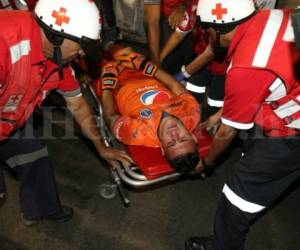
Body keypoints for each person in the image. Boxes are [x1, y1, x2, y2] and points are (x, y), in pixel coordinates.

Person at [0, 0, 133, 226]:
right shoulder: (4, 42)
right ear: (57, 35)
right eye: (82, 46)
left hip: (8, 120)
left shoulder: (57, 58)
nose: (82, 53)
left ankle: (41, 209)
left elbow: (78, 105)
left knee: (34, 152)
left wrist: (101, 147)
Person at [184, 0, 300, 249]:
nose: (208, 37)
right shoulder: (275, 16)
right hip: (289, 100)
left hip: (291, 132)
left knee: (239, 196)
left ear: (216, 30)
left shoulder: (246, 63)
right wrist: (220, 115)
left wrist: (208, 161)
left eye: (207, 31)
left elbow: (227, 132)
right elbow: (263, 81)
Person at [98, 49, 201, 174]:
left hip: (117, 80)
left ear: (162, 148)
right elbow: (173, 84)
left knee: (96, 54)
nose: (174, 134)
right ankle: (110, 44)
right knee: (123, 50)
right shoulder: (192, 113)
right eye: (183, 139)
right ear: (193, 137)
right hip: (145, 72)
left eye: (171, 143)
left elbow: (110, 116)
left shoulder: (137, 132)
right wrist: (145, 66)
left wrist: (108, 80)